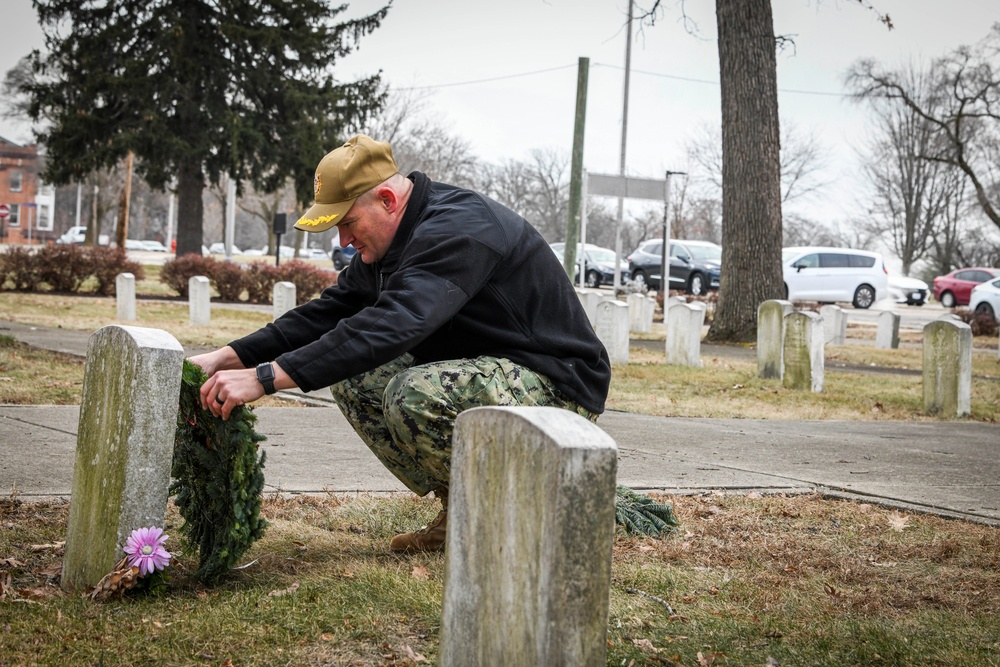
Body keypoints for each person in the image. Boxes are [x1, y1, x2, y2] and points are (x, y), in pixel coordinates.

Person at [189, 134, 611, 553]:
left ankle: (509, 516)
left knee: (413, 395)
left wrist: (265, 379)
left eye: (348, 224)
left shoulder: (460, 228)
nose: (344, 242)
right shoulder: (391, 242)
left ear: (388, 200)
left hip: (556, 384)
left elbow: (397, 322)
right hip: (488, 372)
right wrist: (231, 356)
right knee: (356, 380)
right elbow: (328, 313)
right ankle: (464, 512)